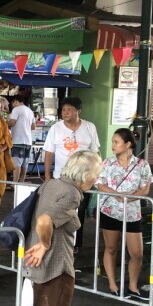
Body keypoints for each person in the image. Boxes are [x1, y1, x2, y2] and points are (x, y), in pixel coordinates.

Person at [22, 150, 103, 306]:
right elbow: (45, 220)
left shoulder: (53, 184)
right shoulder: (71, 194)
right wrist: (45, 244)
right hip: (54, 264)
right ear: (86, 173)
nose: (95, 180)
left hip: (38, 261)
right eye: (95, 174)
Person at [95, 128, 153, 301]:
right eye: (113, 142)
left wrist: (133, 197)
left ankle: (133, 286)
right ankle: (113, 285)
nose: (112, 145)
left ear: (127, 144)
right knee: (111, 248)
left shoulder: (142, 164)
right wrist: (115, 194)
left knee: (137, 253)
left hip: (132, 212)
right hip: (110, 210)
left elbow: (146, 187)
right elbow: (100, 184)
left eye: (116, 142)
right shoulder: (107, 163)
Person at [43, 97, 100, 253]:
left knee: (79, 212)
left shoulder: (89, 127)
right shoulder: (56, 128)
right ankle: (57, 241)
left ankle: (75, 244)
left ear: (78, 111)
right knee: (60, 210)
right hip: (61, 178)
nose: (65, 113)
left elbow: (96, 152)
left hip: (83, 179)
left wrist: (97, 173)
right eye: (63, 110)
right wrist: (47, 176)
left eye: (69, 109)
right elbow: (49, 152)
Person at [8, 95, 35, 185]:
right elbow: (33, 127)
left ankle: (14, 183)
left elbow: (12, 122)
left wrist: (3, 124)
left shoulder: (16, 109)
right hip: (28, 141)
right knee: (24, 163)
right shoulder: (30, 111)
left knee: (16, 162)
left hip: (18, 140)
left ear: (15, 101)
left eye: (12, 103)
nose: (12, 106)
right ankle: (22, 181)